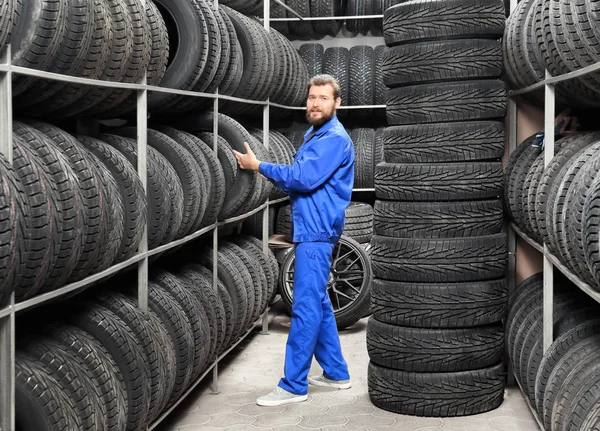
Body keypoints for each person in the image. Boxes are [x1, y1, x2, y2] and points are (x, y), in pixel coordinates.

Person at [233, 74, 355, 407]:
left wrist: (258, 166)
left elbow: (303, 178)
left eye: (323, 98)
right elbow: (299, 183)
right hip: (310, 229)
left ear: (337, 103)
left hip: (317, 233)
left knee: (304, 308)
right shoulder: (315, 134)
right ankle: (336, 373)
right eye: (312, 97)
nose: (315, 103)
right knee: (318, 303)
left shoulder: (333, 139)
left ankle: (293, 385)